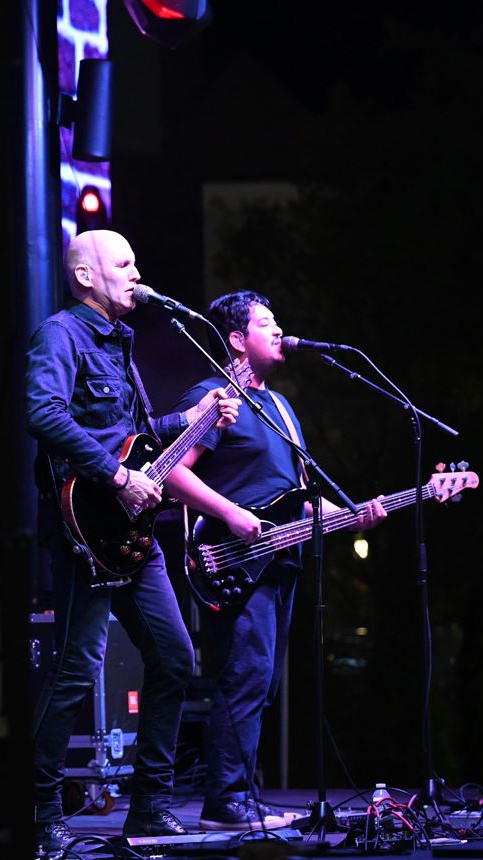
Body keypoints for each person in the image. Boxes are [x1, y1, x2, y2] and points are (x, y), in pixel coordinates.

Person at [26, 229, 241, 853]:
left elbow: (134, 434)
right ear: (85, 276)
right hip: (84, 524)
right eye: (124, 263)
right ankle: (39, 811)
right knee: (76, 667)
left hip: (132, 534)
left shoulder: (121, 342)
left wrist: (197, 419)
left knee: (175, 657)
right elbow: (43, 412)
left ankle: (149, 807)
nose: (137, 272)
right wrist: (117, 476)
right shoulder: (61, 335)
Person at [163, 290, 385, 831]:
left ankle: (241, 795)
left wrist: (354, 516)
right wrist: (231, 513)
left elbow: (302, 498)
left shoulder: (281, 408)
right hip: (232, 560)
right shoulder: (213, 397)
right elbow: (172, 474)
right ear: (237, 340)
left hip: (279, 560)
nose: (280, 330)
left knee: (261, 684)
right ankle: (225, 802)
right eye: (267, 323)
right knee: (245, 676)